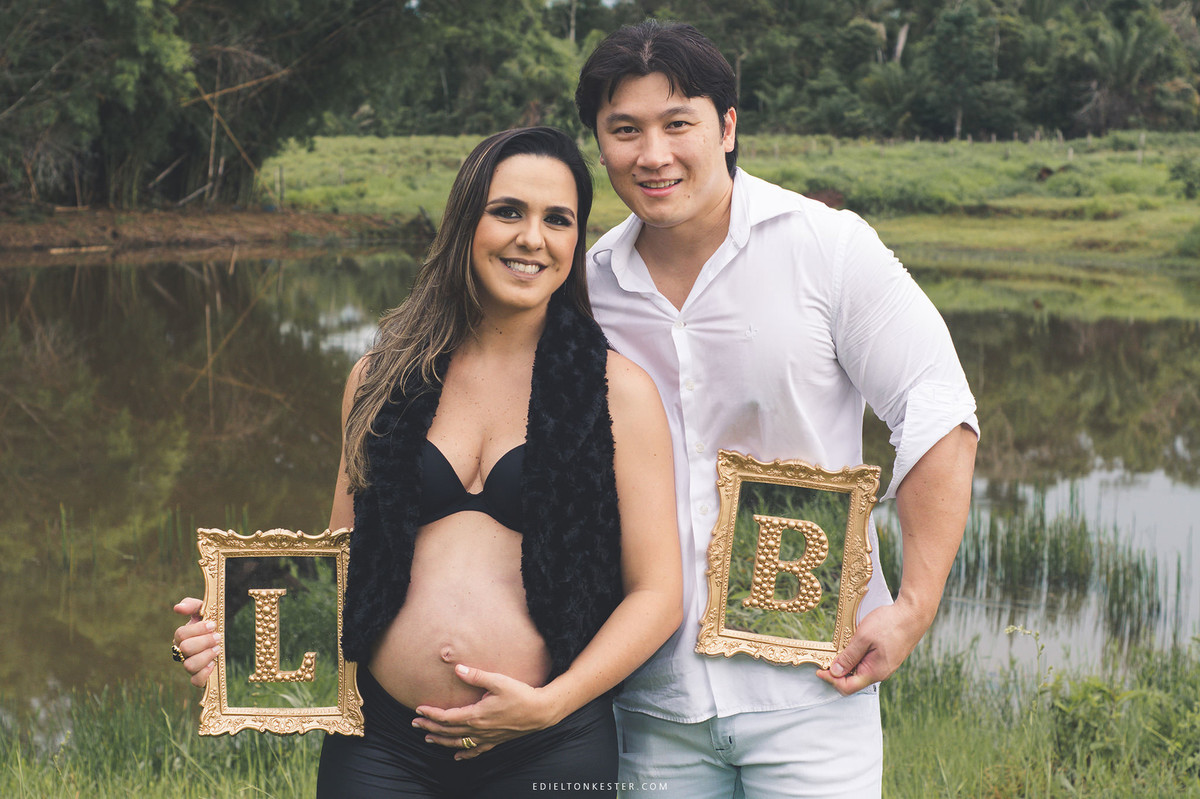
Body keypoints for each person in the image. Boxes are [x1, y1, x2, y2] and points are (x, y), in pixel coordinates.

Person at [172, 126, 683, 798]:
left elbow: (658, 595)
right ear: (465, 221)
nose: (533, 238)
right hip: (383, 743)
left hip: (552, 742)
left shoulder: (618, 391)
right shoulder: (381, 378)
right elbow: (343, 564)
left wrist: (552, 702)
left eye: (558, 220)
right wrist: (239, 643)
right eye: (508, 211)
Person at [572, 20, 980, 798]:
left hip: (814, 694)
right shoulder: (587, 288)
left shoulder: (826, 247)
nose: (652, 154)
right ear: (599, 143)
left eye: (677, 124)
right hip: (647, 705)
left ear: (727, 127)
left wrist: (917, 606)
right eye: (625, 130)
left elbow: (935, 404)